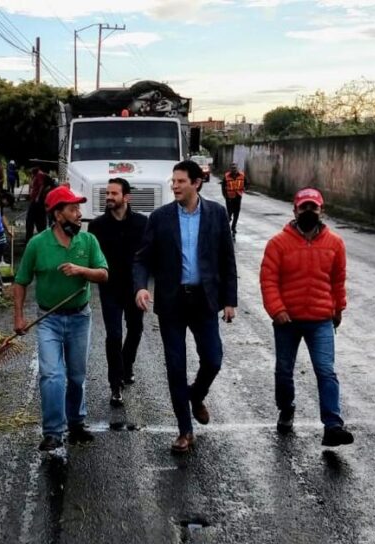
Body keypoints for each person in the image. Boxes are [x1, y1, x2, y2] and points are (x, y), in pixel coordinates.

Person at [134, 160, 237, 454]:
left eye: (180, 181)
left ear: (196, 183)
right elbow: (142, 258)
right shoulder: (160, 218)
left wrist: (230, 300)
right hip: (172, 301)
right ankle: (184, 431)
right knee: (176, 367)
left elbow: (227, 260)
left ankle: (196, 395)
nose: (174, 186)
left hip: (204, 300)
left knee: (213, 359)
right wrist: (141, 286)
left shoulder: (217, 214)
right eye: (173, 181)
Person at [14, 185, 109, 453]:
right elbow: (20, 282)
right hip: (48, 319)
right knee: (52, 375)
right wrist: (19, 317)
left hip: (80, 318)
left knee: (77, 376)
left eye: (79, 208)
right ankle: (53, 431)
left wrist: (81, 270)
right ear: (58, 215)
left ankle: (76, 422)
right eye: (73, 209)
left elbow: (104, 274)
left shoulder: (88, 242)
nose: (79, 214)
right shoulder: (38, 244)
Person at [259, 187, 354, 447]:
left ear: (321, 210)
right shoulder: (278, 243)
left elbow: (338, 280)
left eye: (313, 207)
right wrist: (277, 310)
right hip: (287, 320)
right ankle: (286, 408)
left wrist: (338, 310)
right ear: (295, 210)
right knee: (284, 371)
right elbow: (268, 280)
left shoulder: (335, 243)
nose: (309, 212)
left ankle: (333, 425)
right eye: (304, 207)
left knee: (326, 371)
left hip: (321, 319)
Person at [88, 178, 148, 407]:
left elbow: (149, 255)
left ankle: (127, 365)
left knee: (136, 329)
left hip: (134, 289)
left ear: (126, 197)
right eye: (107, 193)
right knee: (113, 335)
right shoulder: (97, 226)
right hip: (110, 289)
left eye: (114, 193)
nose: (109, 197)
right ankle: (115, 384)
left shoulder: (142, 224)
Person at [220, 162, 248, 237]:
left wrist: (243, 189)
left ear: (237, 168)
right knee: (229, 214)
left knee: (236, 213)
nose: (233, 169)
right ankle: (226, 227)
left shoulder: (242, 175)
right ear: (230, 169)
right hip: (229, 198)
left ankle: (233, 227)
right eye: (232, 168)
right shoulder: (226, 176)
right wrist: (225, 195)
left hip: (238, 197)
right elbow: (223, 186)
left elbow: (246, 183)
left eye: (235, 168)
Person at [25, 168, 50, 241]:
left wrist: (37, 197)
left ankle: (30, 238)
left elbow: (41, 185)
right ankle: (31, 237)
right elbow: (33, 186)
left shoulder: (39, 175)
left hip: (37, 201)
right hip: (36, 201)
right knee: (36, 220)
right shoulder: (37, 175)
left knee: (32, 219)